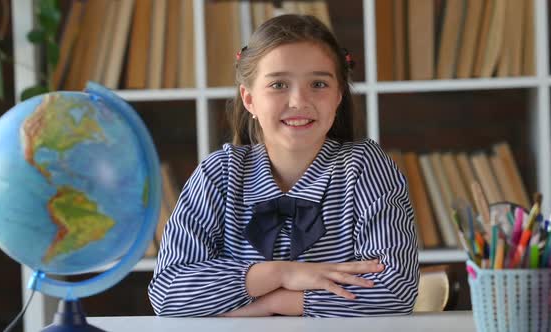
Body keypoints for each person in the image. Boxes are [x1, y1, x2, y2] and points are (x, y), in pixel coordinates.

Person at [148, 14, 418, 317]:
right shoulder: (219, 174)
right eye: (278, 84)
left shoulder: (366, 168)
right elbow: (169, 292)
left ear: (339, 96)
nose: (299, 101)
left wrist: (273, 304)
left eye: (318, 83)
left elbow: (394, 290)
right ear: (249, 99)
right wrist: (281, 274)